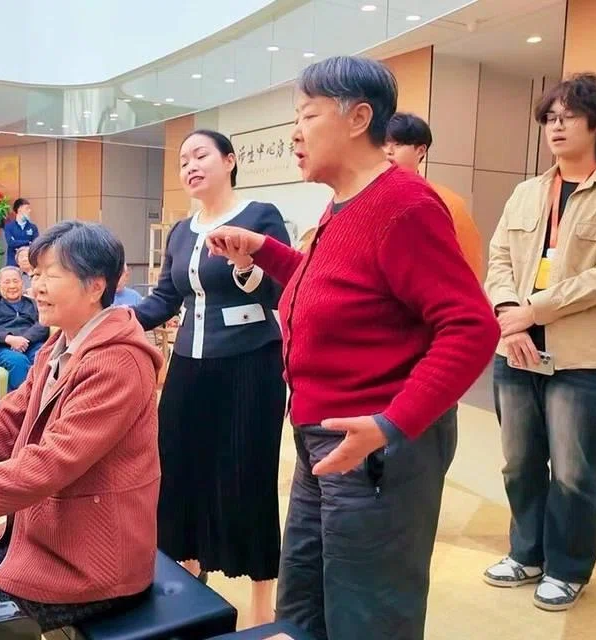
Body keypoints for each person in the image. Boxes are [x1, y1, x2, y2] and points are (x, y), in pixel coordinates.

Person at [205, 56, 499, 640]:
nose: (294, 131)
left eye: (308, 115)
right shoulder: (345, 203)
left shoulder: (404, 207)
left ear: (359, 117)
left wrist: (391, 423)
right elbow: (335, 291)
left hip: (376, 449)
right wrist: (264, 249)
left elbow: (472, 327)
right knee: (306, 608)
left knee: (368, 614)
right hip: (326, 439)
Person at [0, 221, 162, 632]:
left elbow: (51, 462)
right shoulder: (60, 344)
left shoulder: (118, 362)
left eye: (50, 275)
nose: (35, 287)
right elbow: (7, 423)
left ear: (95, 285)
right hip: (44, 535)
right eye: (34, 274)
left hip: (90, 560)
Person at [483, 73, 596, 611]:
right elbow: (500, 261)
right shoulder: (526, 192)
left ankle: (568, 567)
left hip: (583, 358)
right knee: (519, 462)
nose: (556, 127)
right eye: (550, 119)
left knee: (574, 471)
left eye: (568, 117)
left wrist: (534, 310)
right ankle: (527, 553)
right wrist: (509, 313)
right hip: (515, 350)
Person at [133, 128, 290, 627]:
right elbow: (163, 300)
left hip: (251, 366)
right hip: (189, 369)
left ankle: (263, 607)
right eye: (183, 161)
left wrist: (247, 266)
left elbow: (285, 290)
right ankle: (187, 583)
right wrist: (109, 321)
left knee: (248, 477)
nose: (190, 166)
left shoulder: (260, 217)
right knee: (178, 472)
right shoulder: (181, 232)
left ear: (229, 160)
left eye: (200, 155)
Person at [385, 112, 485, 279]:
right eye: (383, 143)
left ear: (420, 150)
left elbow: (468, 267)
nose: (388, 151)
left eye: (398, 144)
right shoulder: (360, 196)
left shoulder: (447, 203)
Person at [0, 266, 48, 390]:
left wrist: (23, 340)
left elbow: (42, 324)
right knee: (18, 361)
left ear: (22, 283)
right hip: (3, 347)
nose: (12, 286)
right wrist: (10, 339)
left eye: (15, 281)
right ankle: (22, 406)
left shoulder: (33, 303)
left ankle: (45, 403)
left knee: (44, 356)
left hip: (31, 343)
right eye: (7, 282)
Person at [5, 198, 39, 266]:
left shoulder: (33, 227)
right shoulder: (9, 227)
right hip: (13, 264)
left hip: (28, 264)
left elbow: (36, 244)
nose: (30, 211)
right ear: (19, 209)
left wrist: (18, 243)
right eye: (27, 208)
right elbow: (11, 243)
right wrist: (27, 242)